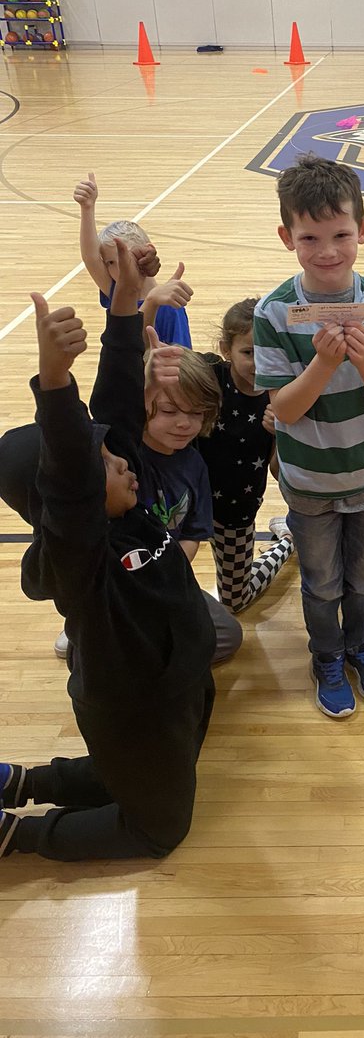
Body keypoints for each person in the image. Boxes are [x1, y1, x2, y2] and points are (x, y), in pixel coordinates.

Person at [0, 242, 215, 861]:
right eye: (105, 460)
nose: (123, 458)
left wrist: (125, 304)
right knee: (158, 828)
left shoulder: (120, 499)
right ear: (72, 500)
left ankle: (24, 782)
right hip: (132, 705)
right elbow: (70, 477)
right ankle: (21, 834)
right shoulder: (82, 556)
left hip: (174, 682)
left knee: (149, 769)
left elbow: (118, 402)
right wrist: (54, 380)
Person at [254, 154, 364, 720]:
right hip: (310, 482)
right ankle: (325, 656)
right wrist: (320, 366)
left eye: (341, 234)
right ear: (286, 237)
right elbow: (284, 410)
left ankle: (360, 645)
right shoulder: (276, 313)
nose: (327, 250)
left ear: (363, 231)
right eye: (309, 237)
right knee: (321, 584)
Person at [54, 337, 243, 664]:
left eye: (197, 413)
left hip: (164, 577)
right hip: (118, 583)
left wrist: (165, 573)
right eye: (169, 411)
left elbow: (193, 533)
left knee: (227, 636)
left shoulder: (194, 463)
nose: (185, 423)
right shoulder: (122, 455)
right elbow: (111, 399)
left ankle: (138, 652)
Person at [195, 298, 294, 614]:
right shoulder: (209, 375)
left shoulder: (284, 392)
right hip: (186, 503)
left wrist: (284, 434)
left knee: (235, 601)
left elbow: (281, 473)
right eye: (248, 352)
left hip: (236, 510)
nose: (259, 362)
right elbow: (149, 365)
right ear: (226, 349)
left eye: (268, 352)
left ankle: (286, 542)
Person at [74, 171, 193, 347]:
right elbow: (90, 257)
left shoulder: (170, 306)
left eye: (125, 258)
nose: (119, 268)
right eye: (111, 263)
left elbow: (183, 356)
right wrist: (87, 208)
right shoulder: (117, 293)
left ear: (148, 251)